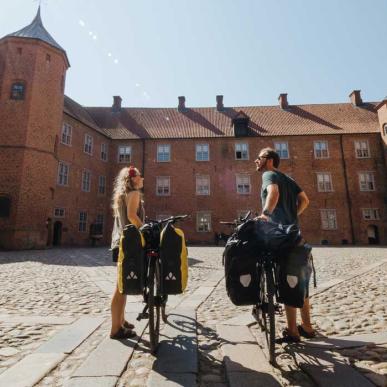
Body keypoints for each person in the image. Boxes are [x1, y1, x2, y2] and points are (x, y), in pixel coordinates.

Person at [255, 147, 315, 343]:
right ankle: (307, 327)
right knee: (300, 279)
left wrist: (266, 213)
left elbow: (273, 192)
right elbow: (305, 200)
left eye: (259, 158)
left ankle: (292, 331)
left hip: (279, 235)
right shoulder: (288, 179)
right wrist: (293, 215)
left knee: (285, 279)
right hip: (295, 234)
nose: (256, 161)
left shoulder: (269, 174)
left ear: (269, 160)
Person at [110, 166, 144, 339]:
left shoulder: (122, 196)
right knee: (120, 288)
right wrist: (144, 229)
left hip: (119, 243)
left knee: (121, 286)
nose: (142, 178)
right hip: (129, 244)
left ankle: (121, 320)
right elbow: (132, 216)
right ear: (132, 179)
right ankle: (116, 329)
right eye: (139, 175)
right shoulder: (134, 194)